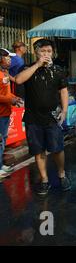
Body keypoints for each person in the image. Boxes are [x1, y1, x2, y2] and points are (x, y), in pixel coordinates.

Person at [15, 39, 71, 195]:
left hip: (52, 117)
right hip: (33, 117)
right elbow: (19, 80)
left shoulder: (58, 70)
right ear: (36, 52)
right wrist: (37, 65)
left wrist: (65, 110)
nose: (46, 54)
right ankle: (44, 179)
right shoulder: (27, 68)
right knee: (38, 150)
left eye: (49, 51)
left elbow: (64, 91)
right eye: (43, 51)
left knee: (57, 149)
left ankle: (61, 175)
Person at [0, 48, 23, 177]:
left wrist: (14, 97)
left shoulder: (5, 73)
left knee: (2, 139)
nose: (10, 60)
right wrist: (11, 99)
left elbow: (6, 93)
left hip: (5, 113)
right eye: (7, 57)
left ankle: (1, 165)